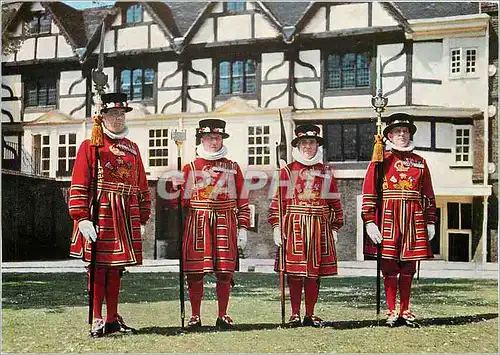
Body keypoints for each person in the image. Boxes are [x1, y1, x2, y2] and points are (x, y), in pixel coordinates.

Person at [68, 92, 151, 337]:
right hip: (100, 212)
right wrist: (81, 217)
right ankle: (96, 318)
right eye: (113, 114)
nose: (118, 119)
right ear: (102, 116)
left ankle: (113, 318)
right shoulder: (90, 145)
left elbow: (142, 186)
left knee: (117, 268)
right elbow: (79, 181)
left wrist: (143, 217)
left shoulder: (133, 149)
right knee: (98, 268)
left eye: (121, 114)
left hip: (125, 213)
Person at [173, 118, 250, 329]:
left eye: (217, 137)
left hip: (225, 220)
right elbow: (179, 201)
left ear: (222, 139)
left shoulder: (233, 167)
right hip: (198, 221)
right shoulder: (189, 167)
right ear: (202, 140)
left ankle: (222, 314)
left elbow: (243, 199)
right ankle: (195, 316)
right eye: (209, 138)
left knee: (225, 272)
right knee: (195, 272)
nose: (213, 142)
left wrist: (243, 227)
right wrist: (175, 187)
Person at [361, 112, 436, 327]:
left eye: (405, 131)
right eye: (397, 131)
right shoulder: (380, 160)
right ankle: (392, 310)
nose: (401, 134)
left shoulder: (420, 162)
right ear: (389, 136)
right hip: (388, 218)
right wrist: (369, 220)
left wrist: (430, 220)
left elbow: (428, 194)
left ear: (410, 133)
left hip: (413, 220)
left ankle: (406, 309)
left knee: (408, 267)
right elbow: (370, 190)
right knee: (390, 267)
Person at [268, 124, 344, 327]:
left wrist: (335, 226)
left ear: (317, 146)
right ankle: (294, 314)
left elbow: (334, 201)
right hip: (294, 226)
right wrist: (276, 226)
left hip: (319, 225)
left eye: (312, 143)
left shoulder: (325, 171)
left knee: (313, 273)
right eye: (304, 143)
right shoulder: (287, 171)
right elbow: (278, 201)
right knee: (294, 273)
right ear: (298, 145)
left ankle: (310, 313)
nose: (308, 147)